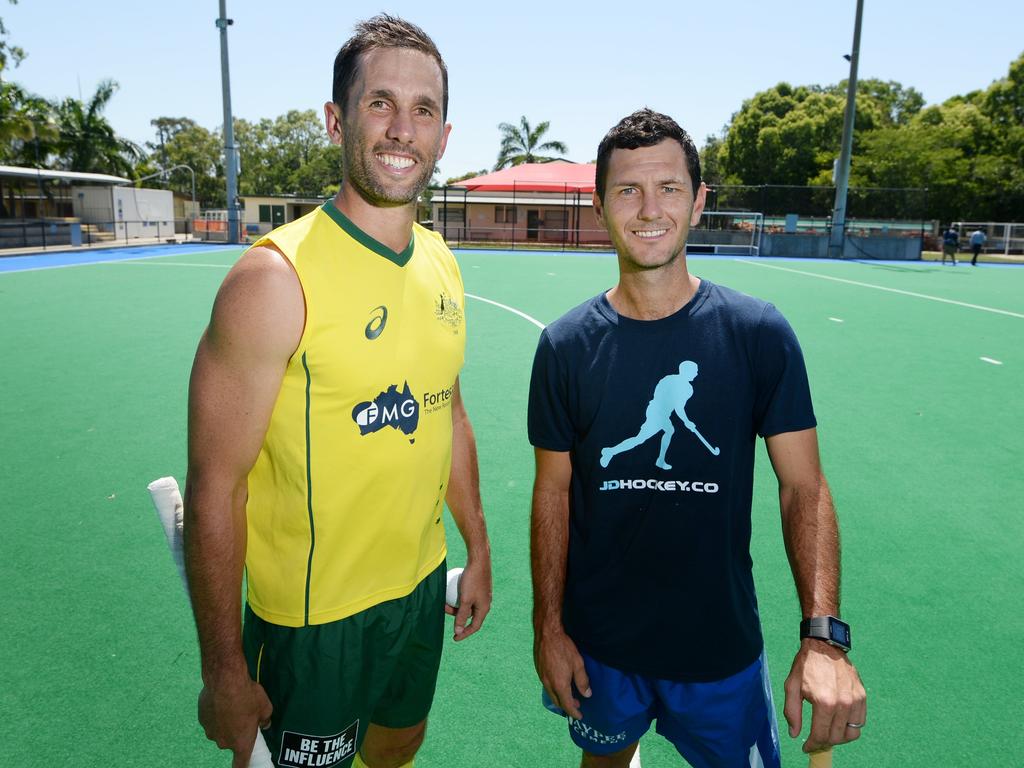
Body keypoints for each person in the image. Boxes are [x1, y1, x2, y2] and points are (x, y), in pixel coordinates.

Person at [183, 15, 491, 768]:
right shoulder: (273, 280)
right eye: (380, 103)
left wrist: (477, 544)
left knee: (400, 744)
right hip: (313, 623)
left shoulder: (443, 263)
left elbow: (446, 412)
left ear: (444, 136)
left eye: (423, 110)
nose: (402, 129)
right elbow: (216, 488)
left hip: (420, 591)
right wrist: (223, 666)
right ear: (336, 119)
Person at [528, 109, 866, 768]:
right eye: (627, 189)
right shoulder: (565, 347)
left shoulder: (757, 334)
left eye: (669, 188)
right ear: (599, 204)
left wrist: (823, 637)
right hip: (602, 645)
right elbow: (553, 492)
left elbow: (805, 487)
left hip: (718, 648)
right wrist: (549, 627)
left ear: (699, 200)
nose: (649, 207)